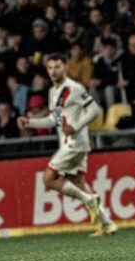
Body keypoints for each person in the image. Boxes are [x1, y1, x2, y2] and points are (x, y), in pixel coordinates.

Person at [17, 52, 117, 235]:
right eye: (50, 68)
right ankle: (107, 223)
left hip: (75, 142)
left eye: (57, 67)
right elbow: (53, 120)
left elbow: (94, 110)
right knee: (78, 182)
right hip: (68, 143)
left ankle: (88, 201)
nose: (53, 71)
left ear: (65, 68)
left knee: (48, 179)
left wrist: (76, 126)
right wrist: (30, 123)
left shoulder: (74, 88)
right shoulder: (52, 92)